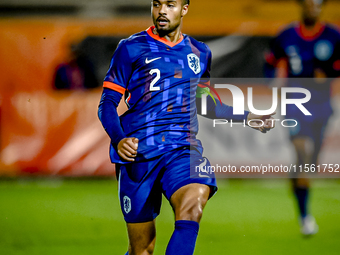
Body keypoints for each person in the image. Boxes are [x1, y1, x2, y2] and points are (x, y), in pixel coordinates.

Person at [98, 1, 274, 254]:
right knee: (142, 249)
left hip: (182, 150)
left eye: (170, 4)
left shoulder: (199, 52)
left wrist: (247, 117)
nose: (161, 10)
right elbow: (107, 104)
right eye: (156, 4)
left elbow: (206, 103)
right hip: (140, 153)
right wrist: (118, 139)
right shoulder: (130, 48)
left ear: (184, 9)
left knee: (193, 207)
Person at [265, 0, 340, 236]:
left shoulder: (332, 35)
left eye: (317, 4)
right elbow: (270, 61)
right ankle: (306, 217)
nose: (312, 8)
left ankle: (299, 187)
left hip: (321, 107)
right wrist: (272, 82)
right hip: (295, 105)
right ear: (302, 6)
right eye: (309, 4)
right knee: (303, 151)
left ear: (321, 7)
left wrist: (327, 74)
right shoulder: (287, 35)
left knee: (308, 164)